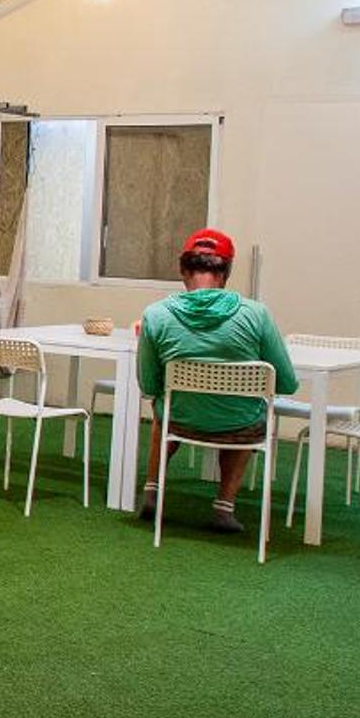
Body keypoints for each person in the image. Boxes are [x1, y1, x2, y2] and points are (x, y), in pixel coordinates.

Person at [135, 228, 297, 534]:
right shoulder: (257, 315)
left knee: (163, 407)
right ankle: (224, 507)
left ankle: (153, 491)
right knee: (247, 410)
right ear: (226, 273)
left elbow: (149, 385)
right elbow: (287, 382)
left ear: (183, 270)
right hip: (240, 425)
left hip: (180, 420)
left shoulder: (155, 315)